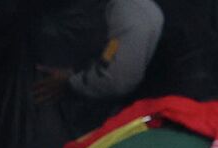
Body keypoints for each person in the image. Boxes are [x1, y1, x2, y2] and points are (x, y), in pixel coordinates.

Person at [30, 0, 165, 107]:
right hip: (54, 98)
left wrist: (71, 81)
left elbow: (118, 77)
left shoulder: (131, 10)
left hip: (89, 114)